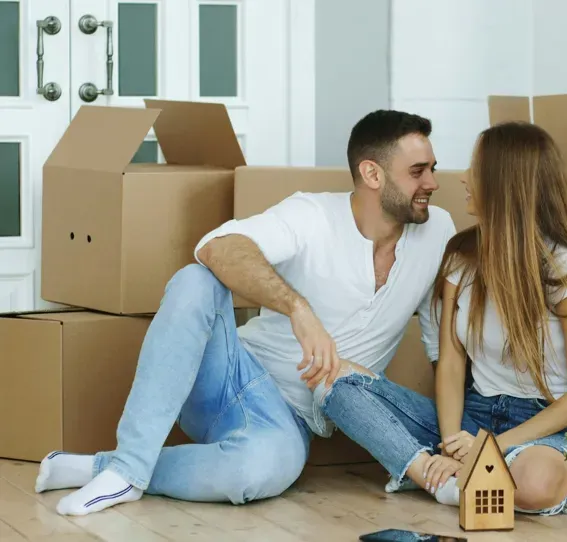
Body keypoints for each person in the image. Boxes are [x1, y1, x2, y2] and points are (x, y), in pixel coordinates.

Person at [34, 109, 456, 516]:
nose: (433, 182)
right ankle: (127, 465)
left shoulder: (438, 231)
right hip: (230, 372)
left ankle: (97, 468)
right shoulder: (311, 215)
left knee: (257, 474)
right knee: (196, 280)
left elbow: (441, 341)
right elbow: (217, 247)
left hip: (287, 421)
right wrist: (298, 308)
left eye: (432, 168)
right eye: (418, 171)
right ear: (372, 174)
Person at [317, 121, 567, 516]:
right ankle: (442, 480)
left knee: (536, 484)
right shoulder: (461, 257)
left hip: (543, 428)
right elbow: (452, 364)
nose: (464, 179)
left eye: (476, 168)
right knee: (335, 383)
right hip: (473, 416)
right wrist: (454, 442)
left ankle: (458, 477)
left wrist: (489, 449)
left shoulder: (562, 269)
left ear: (505, 182)